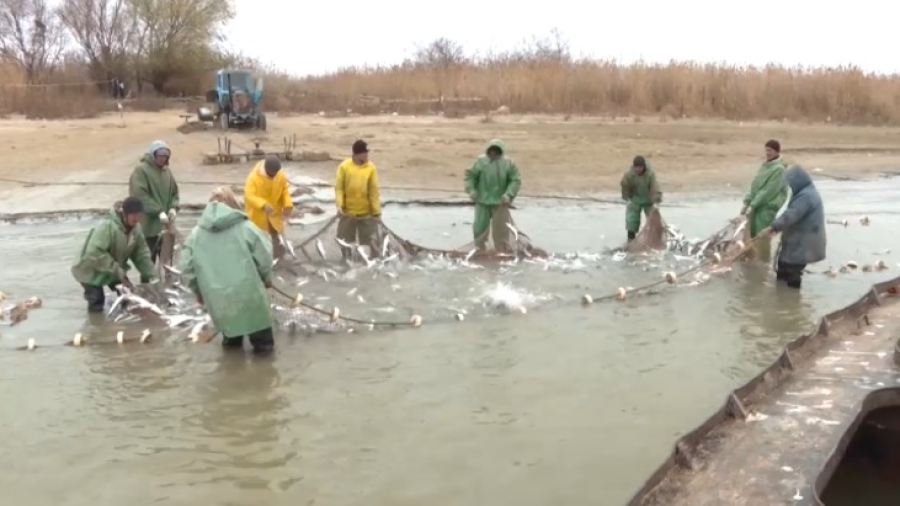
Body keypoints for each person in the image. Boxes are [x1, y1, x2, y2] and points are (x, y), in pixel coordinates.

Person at [179, 191, 276, 355]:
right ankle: (264, 379)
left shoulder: (195, 235)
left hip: (219, 299)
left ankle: (231, 377)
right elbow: (265, 254)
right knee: (264, 348)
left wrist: (198, 291)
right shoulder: (246, 227)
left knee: (231, 347)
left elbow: (186, 267)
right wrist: (266, 278)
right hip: (249, 294)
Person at [70, 197, 158, 313]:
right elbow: (94, 252)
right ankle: (96, 325)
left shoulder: (136, 230)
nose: (136, 218)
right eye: (133, 215)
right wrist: (116, 269)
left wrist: (153, 276)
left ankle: (126, 319)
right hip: (89, 268)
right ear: (125, 213)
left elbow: (141, 255)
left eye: (139, 215)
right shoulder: (107, 226)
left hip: (112, 268)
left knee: (127, 294)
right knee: (97, 299)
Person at [761, 165, 826, 289]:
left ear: (798, 181)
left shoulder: (805, 196)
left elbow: (791, 215)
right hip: (799, 241)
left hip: (803, 243)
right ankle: (785, 301)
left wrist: (773, 227)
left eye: (791, 183)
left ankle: (791, 302)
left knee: (792, 273)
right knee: (783, 269)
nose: (790, 186)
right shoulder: (806, 192)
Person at [464, 139, 522, 251]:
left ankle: (501, 251)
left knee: (501, 231)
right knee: (479, 229)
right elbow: (470, 177)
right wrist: (471, 191)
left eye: (496, 151)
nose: (493, 154)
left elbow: (515, 180)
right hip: (482, 202)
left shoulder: (508, 163)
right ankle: (480, 249)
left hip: (500, 203)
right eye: (491, 151)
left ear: (501, 152)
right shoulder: (480, 161)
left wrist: (508, 194)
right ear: (488, 151)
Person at [129, 140, 180, 263]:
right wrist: (158, 211)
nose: (163, 159)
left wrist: (173, 208)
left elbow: (174, 192)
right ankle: (148, 282)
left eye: (166, 156)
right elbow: (139, 195)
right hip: (148, 228)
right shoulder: (141, 171)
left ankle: (166, 281)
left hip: (166, 226)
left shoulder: (167, 172)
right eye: (161, 155)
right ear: (153, 155)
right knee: (147, 262)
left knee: (167, 261)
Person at [741, 140, 788, 262]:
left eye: (770, 151)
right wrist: (747, 203)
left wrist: (753, 205)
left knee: (762, 238)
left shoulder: (779, 169)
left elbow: (768, 191)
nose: (767, 153)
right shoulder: (765, 165)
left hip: (767, 208)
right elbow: (755, 185)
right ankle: (751, 261)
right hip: (757, 205)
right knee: (751, 235)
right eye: (766, 150)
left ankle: (763, 265)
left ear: (777, 151)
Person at [335, 139, 382, 258]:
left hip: (366, 213)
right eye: (364, 153)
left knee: (370, 243)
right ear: (356, 154)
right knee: (344, 241)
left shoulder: (371, 168)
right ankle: (347, 260)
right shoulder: (344, 167)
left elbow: (373, 192)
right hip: (348, 213)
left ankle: (367, 262)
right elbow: (339, 188)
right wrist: (339, 205)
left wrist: (377, 212)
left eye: (367, 152)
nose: (367, 155)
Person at [244, 155, 294, 258]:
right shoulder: (253, 178)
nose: (274, 176)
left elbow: (284, 190)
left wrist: (287, 204)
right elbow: (249, 196)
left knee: (275, 237)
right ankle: (258, 260)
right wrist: (263, 205)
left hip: (274, 215)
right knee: (258, 240)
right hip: (258, 217)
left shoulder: (280, 175)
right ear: (266, 170)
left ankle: (277, 257)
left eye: (276, 174)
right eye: (272, 174)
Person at [620, 155, 662, 241]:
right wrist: (626, 198)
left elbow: (654, 188)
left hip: (648, 200)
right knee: (631, 219)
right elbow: (625, 186)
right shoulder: (629, 175)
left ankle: (656, 239)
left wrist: (656, 201)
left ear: (644, 167)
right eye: (636, 167)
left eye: (640, 167)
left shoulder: (650, 174)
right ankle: (631, 239)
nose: (638, 169)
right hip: (635, 199)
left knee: (654, 219)